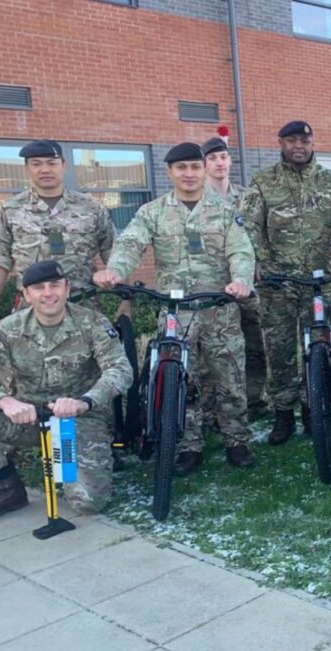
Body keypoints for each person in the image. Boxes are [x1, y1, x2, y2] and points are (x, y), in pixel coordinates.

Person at [94, 142, 256, 474]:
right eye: (181, 168)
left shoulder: (225, 210)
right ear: (170, 172)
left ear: (204, 170)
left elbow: (241, 251)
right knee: (182, 380)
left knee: (230, 378)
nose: (189, 174)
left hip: (218, 307)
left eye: (195, 167)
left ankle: (237, 440)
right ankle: (188, 446)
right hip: (175, 312)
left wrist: (241, 280)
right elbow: (131, 242)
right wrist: (116, 270)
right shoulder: (152, 211)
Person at [241, 120, 331, 445]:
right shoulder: (263, 182)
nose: (299, 146)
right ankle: (283, 414)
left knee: (320, 345)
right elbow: (249, 225)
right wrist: (259, 262)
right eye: (292, 140)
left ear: (312, 142)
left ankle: (313, 408)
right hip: (277, 283)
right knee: (279, 351)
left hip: (320, 282)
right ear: (281, 143)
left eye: (304, 140)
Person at [0, 261, 132, 525]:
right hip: (28, 418)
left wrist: (86, 402)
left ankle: (68, 465)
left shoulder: (92, 323)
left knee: (87, 502)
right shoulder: (7, 330)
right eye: (38, 287)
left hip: (78, 420)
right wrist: (5, 402)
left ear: (67, 289)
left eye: (55, 285)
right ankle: (5, 486)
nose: (48, 293)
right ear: (26, 295)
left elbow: (120, 368)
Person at [0, 139, 123, 327]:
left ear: (63, 166)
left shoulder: (92, 208)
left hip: (84, 310)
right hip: (30, 312)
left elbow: (114, 255)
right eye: (36, 164)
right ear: (27, 168)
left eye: (51, 163)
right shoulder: (10, 210)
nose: (45, 169)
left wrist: (125, 302)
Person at [202, 136, 268, 419]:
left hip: (248, 285)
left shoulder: (248, 197)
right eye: (212, 158)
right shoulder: (196, 198)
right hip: (213, 286)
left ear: (229, 161)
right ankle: (212, 410)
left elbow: (262, 235)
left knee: (254, 343)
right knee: (211, 353)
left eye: (223, 157)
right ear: (204, 165)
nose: (219, 163)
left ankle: (253, 401)